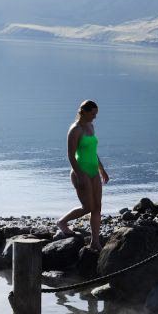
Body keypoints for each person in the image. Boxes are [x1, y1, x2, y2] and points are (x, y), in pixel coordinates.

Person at [57, 99, 108, 250]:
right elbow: (71, 155)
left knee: (97, 207)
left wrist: (102, 169)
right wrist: (79, 175)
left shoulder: (91, 126)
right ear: (84, 112)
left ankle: (95, 241)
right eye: (93, 114)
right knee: (88, 207)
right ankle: (62, 222)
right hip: (81, 171)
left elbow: (93, 151)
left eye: (96, 114)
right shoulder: (75, 129)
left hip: (93, 171)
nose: (95, 117)